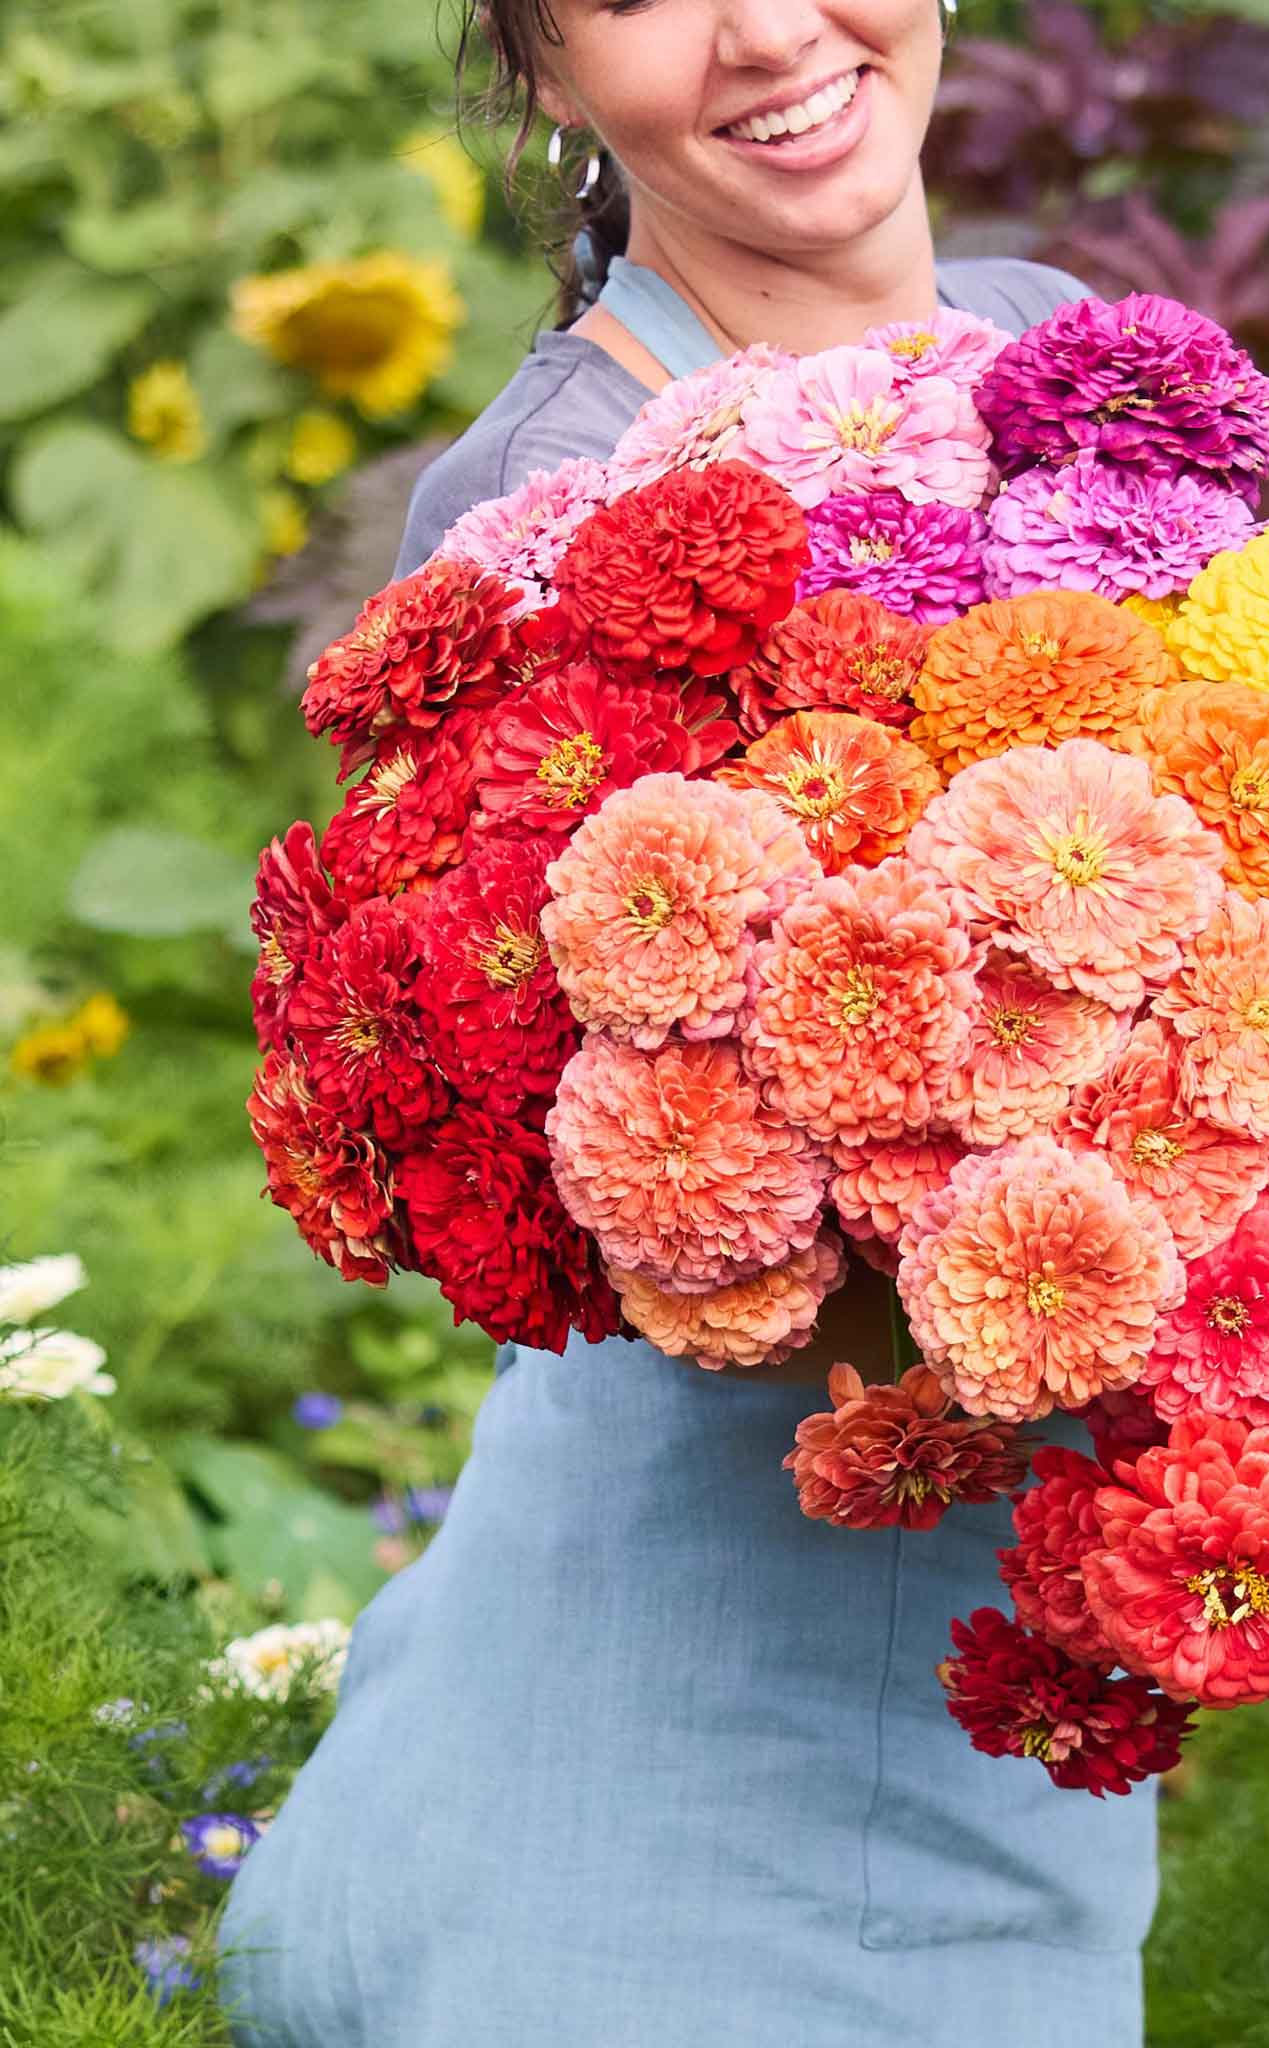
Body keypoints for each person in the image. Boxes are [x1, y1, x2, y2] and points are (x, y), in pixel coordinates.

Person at [216, 5, 1158, 2043]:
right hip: (707, 1742)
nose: (767, 30)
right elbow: (610, 1190)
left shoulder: (1056, 340)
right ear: (543, 70)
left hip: (989, 1652)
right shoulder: (549, 506)